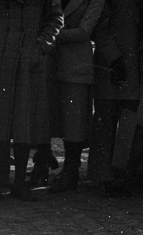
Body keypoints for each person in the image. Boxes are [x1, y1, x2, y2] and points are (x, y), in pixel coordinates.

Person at [0, 0, 63, 201]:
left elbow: (56, 19)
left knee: (23, 124)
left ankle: (19, 182)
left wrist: (41, 46)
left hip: (28, 58)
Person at [43, 0, 106, 193]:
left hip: (76, 65)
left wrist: (51, 36)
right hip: (49, 65)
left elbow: (85, 30)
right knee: (49, 118)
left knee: (74, 124)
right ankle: (44, 163)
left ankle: (71, 171)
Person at [88, 0, 143, 193]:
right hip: (111, 63)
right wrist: (114, 57)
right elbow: (100, 27)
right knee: (106, 118)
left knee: (129, 120)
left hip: (134, 63)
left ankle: (123, 172)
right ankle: (101, 174)